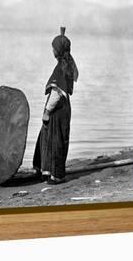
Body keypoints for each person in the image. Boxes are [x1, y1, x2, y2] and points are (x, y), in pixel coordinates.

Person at [33, 27, 79, 185]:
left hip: (56, 110)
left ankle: (53, 176)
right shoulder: (68, 65)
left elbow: (56, 93)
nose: (51, 50)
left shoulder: (60, 69)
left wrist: (46, 111)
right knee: (58, 141)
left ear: (57, 51)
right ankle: (53, 174)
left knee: (52, 141)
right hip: (65, 110)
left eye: (53, 48)